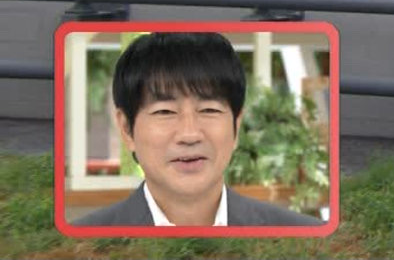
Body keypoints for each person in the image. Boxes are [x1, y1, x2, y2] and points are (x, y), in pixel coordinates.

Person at [74, 32, 325, 229]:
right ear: (127, 129)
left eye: (209, 110)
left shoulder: (307, 237)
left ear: (236, 126)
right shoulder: (76, 244)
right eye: (165, 112)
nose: (189, 134)